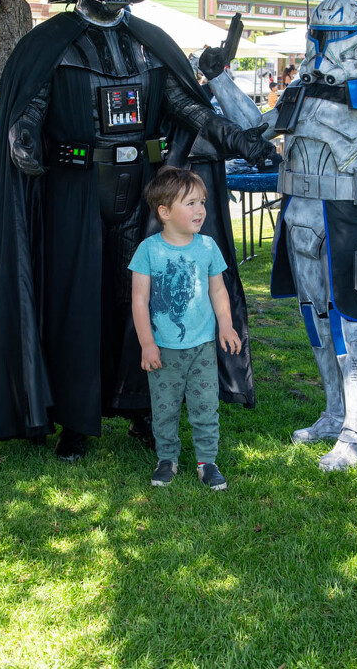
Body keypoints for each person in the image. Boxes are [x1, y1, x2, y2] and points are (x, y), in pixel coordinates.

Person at [0, 0, 277, 462]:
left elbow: (185, 108)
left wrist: (238, 138)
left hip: (145, 194)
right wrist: (22, 133)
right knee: (76, 305)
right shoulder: (50, 44)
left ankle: (142, 405)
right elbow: (33, 106)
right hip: (73, 192)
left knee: (142, 301)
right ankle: (74, 417)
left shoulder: (150, 45)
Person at [200, 0, 357, 471]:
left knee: (353, 329)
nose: (325, 44)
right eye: (319, 33)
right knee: (316, 321)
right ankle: (333, 412)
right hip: (301, 218)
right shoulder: (299, 93)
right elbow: (256, 130)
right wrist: (220, 79)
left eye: (337, 34)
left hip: (352, 224)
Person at [130, 167, 238, 490]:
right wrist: (147, 344)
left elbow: (218, 291)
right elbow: (139, 301)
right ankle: (167, 458)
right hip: (163, 349)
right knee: (164, 409)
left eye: (202, 202)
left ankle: (207, 461)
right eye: (190, 203)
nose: (200, 210)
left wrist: (226, 326)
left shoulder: (207, 248)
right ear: (164, 211)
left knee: (206, 407)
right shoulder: (148, 251)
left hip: (202, 347)